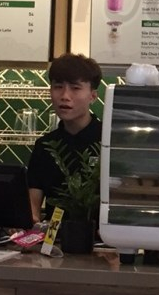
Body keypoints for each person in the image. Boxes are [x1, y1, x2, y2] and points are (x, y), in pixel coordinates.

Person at [26, 54, 103, 224]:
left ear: (93, 96)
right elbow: (32, 205)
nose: (65, 96)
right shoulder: (45, 146)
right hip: (54, 235)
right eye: (58, 87)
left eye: (75, 88)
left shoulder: (108, 141)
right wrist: (26, 222)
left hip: (100, 236)